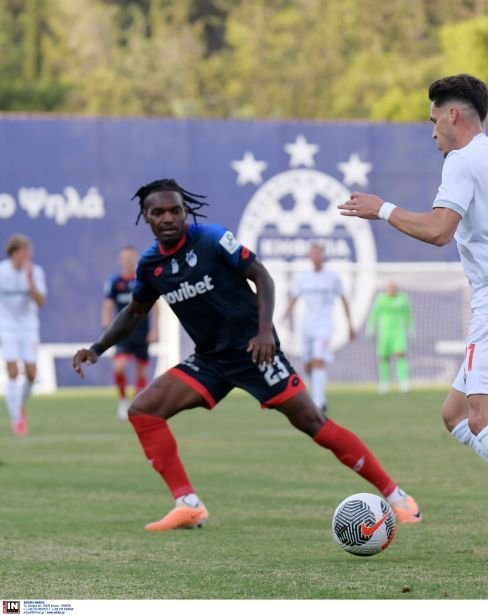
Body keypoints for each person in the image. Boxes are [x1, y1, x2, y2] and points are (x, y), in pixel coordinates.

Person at [73, 179, 420, 531]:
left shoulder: (211, 239)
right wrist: (97, 348)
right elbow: (135, 311)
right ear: (146, 217)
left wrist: (265, 330)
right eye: (158, 212)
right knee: (143, 410)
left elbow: (262, 276)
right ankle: (188, 504)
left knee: (313, 422)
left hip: (255, 352)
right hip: (210, 360)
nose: (167, 218)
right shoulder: (151, 265)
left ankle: (398, 498)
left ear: (185, 211)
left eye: (175, 210)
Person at [339, 74, 488, 564]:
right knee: (456, 415)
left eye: (434, 121)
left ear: (453, 114)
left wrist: (381, 209)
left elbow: (439, 231)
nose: (432, 132)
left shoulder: (462, 160)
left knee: (484, 417)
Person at [280, 244, 355, 413]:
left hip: (324, 325)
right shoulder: (304, 277)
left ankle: (319, 402)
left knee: (319, 361)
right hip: (307, 325)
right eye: (312, 254)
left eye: (318, 253)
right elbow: (294, 298)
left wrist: (350, 324)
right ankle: (313, 396)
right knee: (308, 365)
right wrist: (285, 315)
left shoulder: (333, 277)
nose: (315, 257)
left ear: (323, 255)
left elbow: (343, 299)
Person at [102, 246, 159, 420]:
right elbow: (108, 305)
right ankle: (123, 400)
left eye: (131, 257)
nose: (128, 260)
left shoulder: (143, 280)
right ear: (120, 260)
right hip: (122, 332)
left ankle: (136, 403)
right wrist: (106, 325)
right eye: (125, 257)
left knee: (141, 371)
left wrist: (154, 329)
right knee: (119, 367)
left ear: (136, 259)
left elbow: (155, 306)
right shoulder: (114, 282)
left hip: (141, 331)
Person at [0, 234, 46, 436]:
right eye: (25, 252)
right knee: (11, 370)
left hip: (28, 327)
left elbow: (40, 302)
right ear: (14, 252)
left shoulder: (35, 272)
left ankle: (19, 405)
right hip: (7, 326)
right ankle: (17, 419)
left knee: (31, 373)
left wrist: (30, 281)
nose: (29, 256)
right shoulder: (2, 272)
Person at [366, 281, 413, 394]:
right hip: (384, 333)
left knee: (400, 355)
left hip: (398, 332)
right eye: (390, 287)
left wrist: (410, 328)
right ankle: (384, 383)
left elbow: (408, 314)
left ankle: (404, 382)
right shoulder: (381, 299)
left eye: (394, 287)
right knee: (384, 357)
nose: (392, 290)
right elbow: (374, 314)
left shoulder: (403, 299)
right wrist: (370, 328)